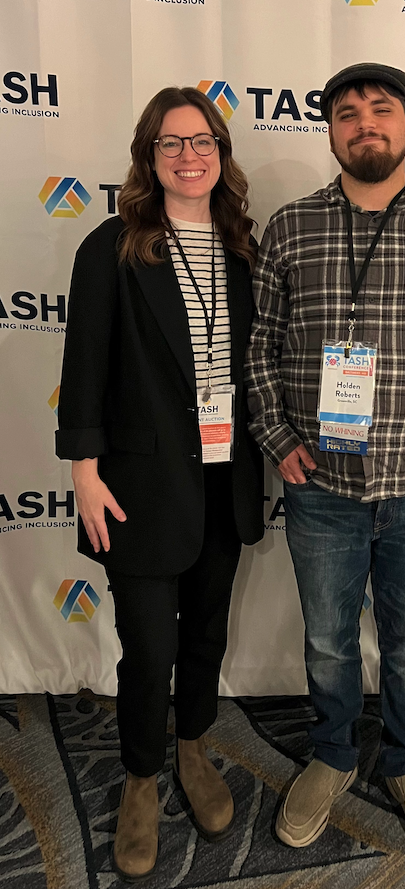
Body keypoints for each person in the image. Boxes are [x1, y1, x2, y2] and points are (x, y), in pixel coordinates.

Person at [245, 62, 405, 857]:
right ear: (331, 131)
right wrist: (278, 438)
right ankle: (332, 753)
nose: (365, 124)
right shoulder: (290, 227)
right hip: (320, 484)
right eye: (347, 113)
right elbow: (259, 346)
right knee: (327, 640)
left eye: (381, 110)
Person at [55, 87, 265, 881]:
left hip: (225, 479)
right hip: (138, 486)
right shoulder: (113, 246)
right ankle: (141, 777)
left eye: (202, 140)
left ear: (220, 153)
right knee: (149, 648)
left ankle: (192, 747)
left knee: (206, 632)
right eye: (170, 143)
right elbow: (84, 367)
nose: (188, 155)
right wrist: (83, 473)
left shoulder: (242, 247)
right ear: (150, 156)